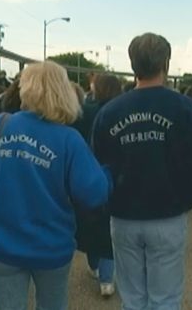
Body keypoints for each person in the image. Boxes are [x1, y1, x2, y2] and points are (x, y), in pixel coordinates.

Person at [0, 61, 111, 310]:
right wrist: (107, 174)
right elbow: (93, 194)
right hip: (52, 248)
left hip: (1, 246)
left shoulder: (0, 126)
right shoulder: (69, 139)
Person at [92, 32, 192, 309]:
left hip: (123, 216)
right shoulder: (186, 109)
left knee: (132, 298)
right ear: (166, 64)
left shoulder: (109, 113)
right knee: (165, 299)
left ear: (133, 64)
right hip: (167, 215)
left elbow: (97, 167)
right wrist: (185, 200)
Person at [74, 74, 122, 297]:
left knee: (90, 223)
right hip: (115, 174)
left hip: (86, 172)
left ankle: (94, 264)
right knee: (108, 228)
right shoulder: (122, 111)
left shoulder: (84, 112)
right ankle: (106, 279)